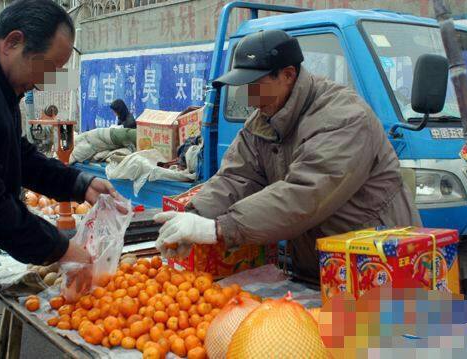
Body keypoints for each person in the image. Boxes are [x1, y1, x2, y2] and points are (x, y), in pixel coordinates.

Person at [154, 30, 421, 285]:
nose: (250, 98)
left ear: (288, 75)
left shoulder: (343, 117)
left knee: (378, 332)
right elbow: (236, 177)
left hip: (376, 265)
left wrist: (219, 228)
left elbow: (306, 194)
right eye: (245, 87)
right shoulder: (263, 121)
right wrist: (193, 216)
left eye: (256, 86)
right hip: (319, 267)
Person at [0, 0, 120, 343]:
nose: (43, 83)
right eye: (45, 68)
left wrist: (78, 183)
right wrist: (62, 249)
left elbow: (17, 156)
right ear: (13, 41)